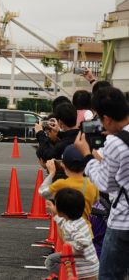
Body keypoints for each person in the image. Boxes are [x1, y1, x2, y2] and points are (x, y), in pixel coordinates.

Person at [74, 86, 129, 279]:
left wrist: (87, 156)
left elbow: (106, 184)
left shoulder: (116, 143)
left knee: (109, 276)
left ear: (107, 118)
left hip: (123, 221)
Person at [38, 145, 99, 233]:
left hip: (68, 231)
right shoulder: (91, 185)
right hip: (86, 230)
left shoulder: (61, 184)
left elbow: (42, 192)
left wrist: (51, 173)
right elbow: (95, 200)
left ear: (63, 165)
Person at [44, 188, 99, 279]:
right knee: (51, 260)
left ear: (62, 210)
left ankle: (65, 275)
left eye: (56, 205)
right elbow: (62, 220)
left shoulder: (70, 227)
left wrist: (69, 252)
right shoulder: (80, 220)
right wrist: (54, 211)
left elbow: (83, 242)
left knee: (51, 261)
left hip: (84, 270)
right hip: (92, 265)